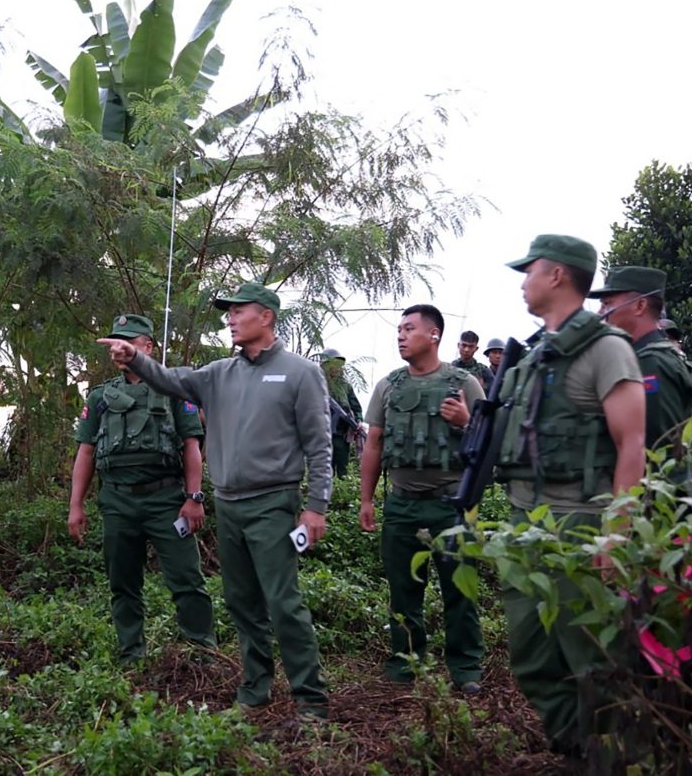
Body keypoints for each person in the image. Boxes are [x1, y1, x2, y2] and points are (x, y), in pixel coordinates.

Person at [96, 283, 331, 719]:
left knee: (283, 601)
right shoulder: (219, 374)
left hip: (273, 503)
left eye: (238, 312)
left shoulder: (300, 373)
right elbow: (169, 379)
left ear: (266, 316)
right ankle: (254, 690)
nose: (230, 319)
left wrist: (316, 506)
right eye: (229, 313)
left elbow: (320, 445)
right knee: (242, 602)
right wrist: (136, 358)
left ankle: (310, 700)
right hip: (230, 505)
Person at [497, 235, 646, 758]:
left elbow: (633, 446)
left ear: (557, 275)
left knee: (592, 655)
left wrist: (616, 534)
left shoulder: (608, 349)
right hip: (524, 519)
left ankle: (611, 756)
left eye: (530, 271)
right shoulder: (536, 354)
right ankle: (574, 749)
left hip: (581, 520)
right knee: (531, 654)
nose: (523, 281)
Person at [68, 314, 216, 664]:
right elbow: (86, 450)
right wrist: (76, 505)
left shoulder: (175, 390)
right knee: (123, 583)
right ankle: (131, 654)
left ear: (148, 346)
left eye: (130, 341)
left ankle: (203, 656)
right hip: (117, 500)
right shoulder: (101, 396)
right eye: (116, 341)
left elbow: (191, 446)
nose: (120, 348)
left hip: (166, 499)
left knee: (186, 580)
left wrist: (194, 498)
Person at [358, 305, 485, 693]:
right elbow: (374, 445)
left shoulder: (465, 384)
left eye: (409, 328)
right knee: (402, 590)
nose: (400, 335)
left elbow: (488, 444)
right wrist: (366, 500)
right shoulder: (388, 386)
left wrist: (467, 422)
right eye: (398, 329)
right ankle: (405, 664)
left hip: (452, 504)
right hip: (401, 504)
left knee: (459, 590)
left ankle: (465, 670)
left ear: (434, 335)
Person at [590, 267, 692, 453]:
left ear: (640, 306)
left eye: (607, 304)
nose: (600, 313)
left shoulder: (650, 363)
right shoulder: (644, 357)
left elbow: (657, 449)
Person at [318, 348, 363, 478]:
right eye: (332, 365)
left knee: (343, 469)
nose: (336, 368)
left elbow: (356, 407)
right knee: (326, 470)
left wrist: (358, 421)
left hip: (341, 435)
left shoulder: (345, 385)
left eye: (338, 365)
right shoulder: (318, 384)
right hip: (323, 435)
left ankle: (342, 494)